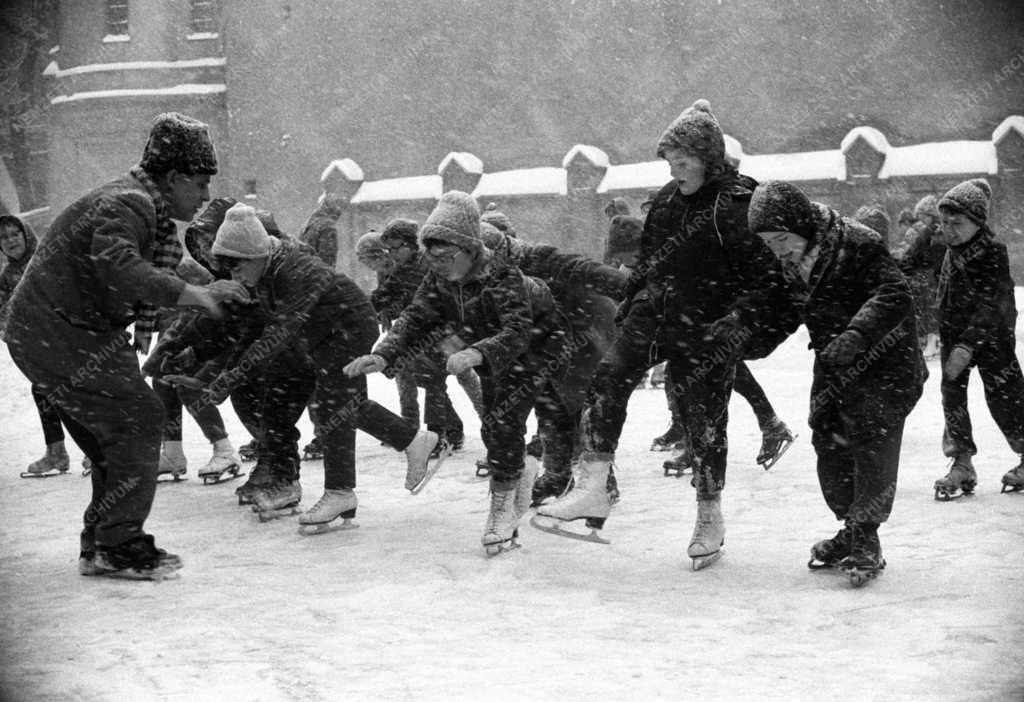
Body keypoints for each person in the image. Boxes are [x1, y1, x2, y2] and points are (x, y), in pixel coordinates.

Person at [536, 99, 793, 570]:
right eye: (671, 163)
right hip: (656, 314)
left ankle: (709, 513)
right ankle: (594, 485)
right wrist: (633, 299)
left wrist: (739, 321)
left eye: (684, 162)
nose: (677, 172)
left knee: (705, 422)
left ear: (708, 159)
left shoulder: (738, 205)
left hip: (709, 326)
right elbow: (648, 262)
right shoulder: (668, 203)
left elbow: (765, 278)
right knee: (607, 379)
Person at [2, 112, 249, 579]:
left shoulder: (142, 209)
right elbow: (117, 263)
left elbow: (163, 267)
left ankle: (101, 542)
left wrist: (213, 285)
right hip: (59, 330)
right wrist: (194, 296)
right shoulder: (129, 204)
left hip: (68, 329)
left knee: (111, 438)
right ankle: (119, 543)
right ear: (173, 178)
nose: (206, 195)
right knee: (139, 416)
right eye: (200, 183)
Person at [186, 203, 440, 529]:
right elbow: (256, 329)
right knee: (280, 396)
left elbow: (280, 330)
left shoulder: (295, 268)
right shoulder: (264, 273)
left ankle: (340, 491)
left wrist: (234, 375)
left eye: (237, 270)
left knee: (335, 405)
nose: (235, 278)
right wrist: (225, 375)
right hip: (312, 335)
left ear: (253, 255)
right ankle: (290, 478)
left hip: (346, 325)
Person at [345, 191, 568, 554]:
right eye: (432, 257)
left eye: (447, 256)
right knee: (496, 424)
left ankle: (502, 510)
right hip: (487, 349)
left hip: (537, 342)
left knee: (506, 420)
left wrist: (477, 352)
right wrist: (384, 355)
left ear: (469, 248)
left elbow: (517, 331)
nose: (440, 264)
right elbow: (416, 317)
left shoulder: (502, 275)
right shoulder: (438, 278)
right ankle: (520, 470)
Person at [748, 180, 926, 586]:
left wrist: (858, 335)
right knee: (828, 440)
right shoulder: (791, 260)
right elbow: (782, 314)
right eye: (769, 243)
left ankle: (867, 536)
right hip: (835, 364)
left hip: (885, 364)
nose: (777, 250)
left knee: (871, 441)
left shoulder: (857, 243)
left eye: (780, 239)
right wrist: (741, 337)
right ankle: (851, 526)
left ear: (800, 226)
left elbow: (893, 293)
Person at [929, 179, 1024, 497]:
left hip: (991, 336)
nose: (948, 230)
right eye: (944, 222)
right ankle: (961, 462)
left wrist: (969, 344)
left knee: (1006, 396)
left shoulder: (992, 252)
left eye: (957, 223)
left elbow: (992, 303)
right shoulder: (948, 251)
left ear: (977, 222)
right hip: (954, 335)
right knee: (952, 397)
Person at [141, 197, 244, 484]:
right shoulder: (146, 274)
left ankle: (224, 448)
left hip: (213, 341)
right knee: (162, 381)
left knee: (186, 383)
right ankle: (173, 453)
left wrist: (172, 348)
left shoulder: (191, 270)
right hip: (183, 342)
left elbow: (197, 314)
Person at [375, 218, 481, 456]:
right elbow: (387, 295)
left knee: (436, 378)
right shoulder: (402, 268)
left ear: (411, 244)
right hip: (425, 333)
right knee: (430, 379)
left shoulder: (429, 265)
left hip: (448, 333)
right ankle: (451, 430)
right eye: (389, 249)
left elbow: (441, 299)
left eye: (396, 247)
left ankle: (440, 434)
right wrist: (372, 306)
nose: (392, 254)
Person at [1, 214, 74, 478]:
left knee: (75, 391)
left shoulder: (46, 258)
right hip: (37, 348)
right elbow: (4, 317)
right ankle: (56, 452)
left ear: (26, 234)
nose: (10, 241)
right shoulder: (6, 277)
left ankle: (98, 449)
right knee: (42, 390)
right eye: (4, 237)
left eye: (14, 234)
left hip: (66, 339)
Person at [900, 194, 945, 360]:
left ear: (929, 215)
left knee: (930, 308)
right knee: (930, 308)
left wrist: (905, 265)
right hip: (931, 275)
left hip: (931, 276)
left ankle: (933, 342)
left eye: (921, 216)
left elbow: (917, 253)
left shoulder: (934, 232)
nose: (919, 220)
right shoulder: (932, 231)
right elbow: (914, 253)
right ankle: (934, 341)